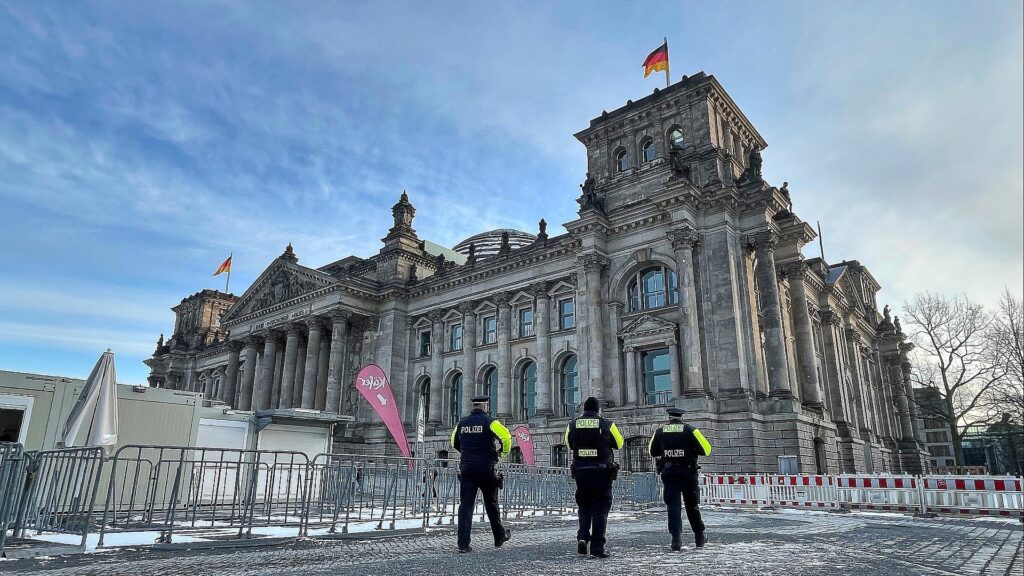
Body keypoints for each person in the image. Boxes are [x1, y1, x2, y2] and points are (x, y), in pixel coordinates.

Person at [450, 395, 513, 553]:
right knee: (491, 503)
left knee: (466, 505)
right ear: (485, 406)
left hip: (467, 468)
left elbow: (453, 442)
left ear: (473, 407)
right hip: (486, 468)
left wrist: (466, 454)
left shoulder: (462, 423)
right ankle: (499, 537)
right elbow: (506, 437)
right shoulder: (490, 422)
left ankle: (463, 544)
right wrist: (501, 453)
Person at [564, 396, 624, 559]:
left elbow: (569, 444)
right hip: (602, 473)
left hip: (581, 472)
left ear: (584, 409)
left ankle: (583, 537)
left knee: (584, 507)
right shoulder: (607, 424)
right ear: (598, 410)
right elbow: (619, 443)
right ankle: (597, 548)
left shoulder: (573, 424)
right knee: (600, 510)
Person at [649, 407, 712, 551]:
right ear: (681, 417)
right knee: (692, 505)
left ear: (669, 417)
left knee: (673, 506)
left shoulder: (659, 432)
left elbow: (652, 452)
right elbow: (707, 450)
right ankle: (699, 536)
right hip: (688, 472)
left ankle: (676, 539)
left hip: (669, 472)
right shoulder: (691, 430)